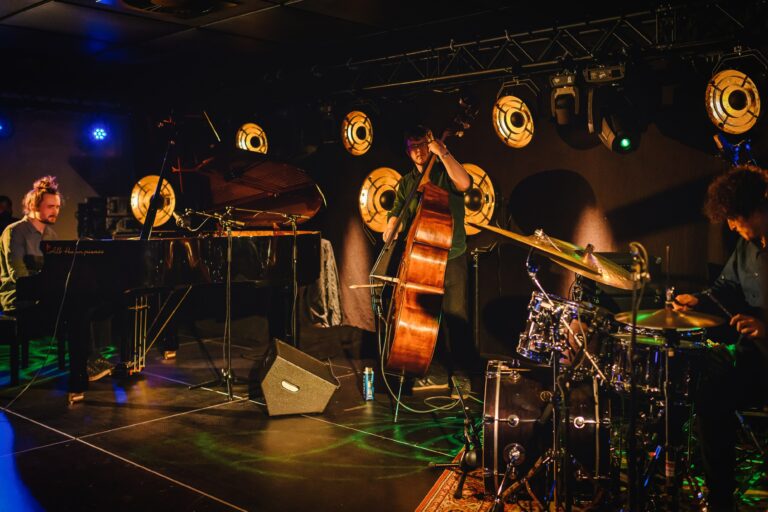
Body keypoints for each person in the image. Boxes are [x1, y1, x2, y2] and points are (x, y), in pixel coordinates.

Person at [674, 165, 768, 511]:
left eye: (733, 217)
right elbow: (727, 287)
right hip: (756, 357)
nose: (730, 225)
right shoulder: (746, 248)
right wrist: (697, 300)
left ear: (755, 210)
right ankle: (720, 500)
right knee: (709, 386)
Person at [383, 125, 482, 392]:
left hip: (452, 255)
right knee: (426, 319)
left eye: (423, 145)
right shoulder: (406, 183)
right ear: (407, 151)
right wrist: (391, 227)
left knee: (455, 318)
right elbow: (396, 216)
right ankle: (434, 371)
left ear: (430, 144)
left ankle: (460, 374)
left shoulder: (443, 171)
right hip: (420, 261)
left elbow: (465, 183)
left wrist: (445, 153)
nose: (418, 151)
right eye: (413, 147)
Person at [0, 176, 113, 404]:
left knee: (87, 302)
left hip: (42, 297)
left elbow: (54, 274)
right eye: (50, 206)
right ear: (34, 206)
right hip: (17, 300)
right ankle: (84, 367)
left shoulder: (50, 235)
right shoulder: (14, 232)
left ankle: (83, 368)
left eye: (58, 207)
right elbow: (19, 277)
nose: (56, 211)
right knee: (76, 308)